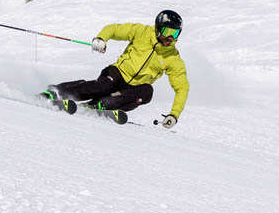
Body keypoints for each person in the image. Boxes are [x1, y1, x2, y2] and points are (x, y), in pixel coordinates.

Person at [42, 10, 189, 127]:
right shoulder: (141, 32)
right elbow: (113, 29)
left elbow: (182, 88)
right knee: (103, 86)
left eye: (175, 33)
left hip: (129, 90)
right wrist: (101, 39)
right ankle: (58, 92)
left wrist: (174, 114)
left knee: (147, 92)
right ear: (158, 29)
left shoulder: (173, 58)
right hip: (117, 73)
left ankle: (99, 105)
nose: (170, 38)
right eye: (167, 32)